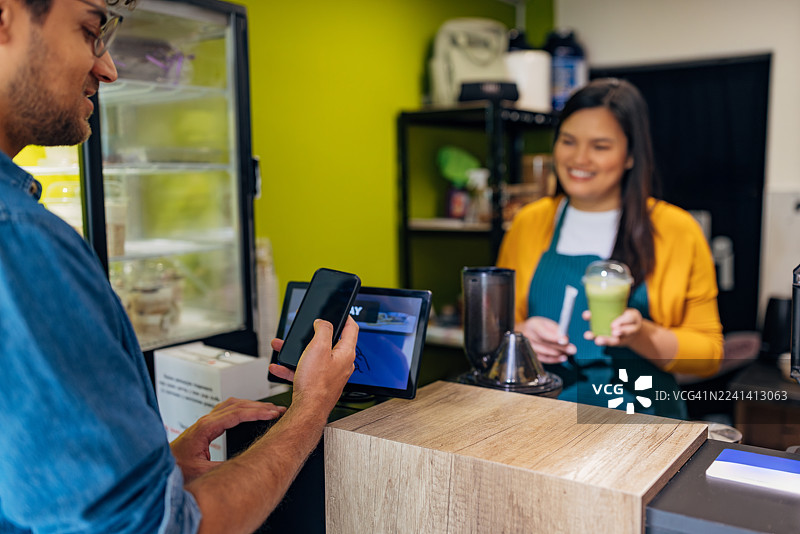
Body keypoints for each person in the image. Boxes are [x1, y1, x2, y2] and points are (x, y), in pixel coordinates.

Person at [0, 1, 357, 533]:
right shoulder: (22, 239)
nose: (108, 68)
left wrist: (153, 467)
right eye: (90, 30)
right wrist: (312, 407)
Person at [497, 78, 723, 418]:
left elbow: (710, 353)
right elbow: (499, 326)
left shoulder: (676, 230)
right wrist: (519, 335)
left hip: (643, 421)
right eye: (568, 141)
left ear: (631, 154)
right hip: (543, 416)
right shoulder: (530, 222)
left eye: (600, 146)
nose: (579, 159)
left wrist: (642, 335)